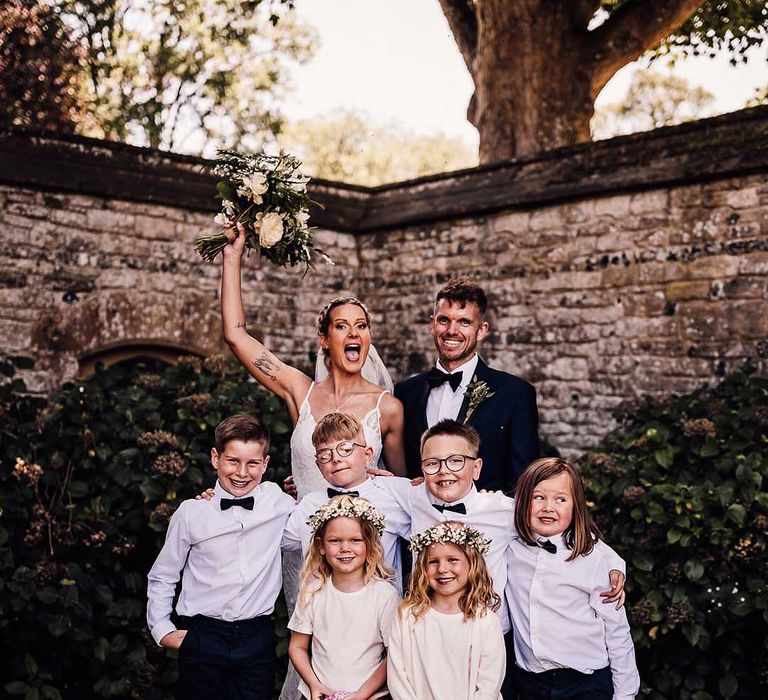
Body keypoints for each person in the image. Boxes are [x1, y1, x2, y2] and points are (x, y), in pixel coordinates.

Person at [221, 226, 405, 698]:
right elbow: (236, 334)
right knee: (308, 648)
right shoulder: (300, 390)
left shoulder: (388, 407)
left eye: (361, 326)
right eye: (342, 326)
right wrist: (233, 255)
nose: (353, 333)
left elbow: (407, 487)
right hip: (301, 542)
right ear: (325, 339)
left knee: (368, 651)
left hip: (368, 551)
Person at [375, 419, 626, 699]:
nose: (444, 470)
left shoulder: (505, 511)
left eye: (456, 461)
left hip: (489, 635)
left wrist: (615, 564)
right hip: (429, 631)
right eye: (432, 463)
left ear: (477, 467)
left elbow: (562, 533)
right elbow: (365, 487)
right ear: (421, 467)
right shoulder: (413, 496)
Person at [146, 414, 294, 699]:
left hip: (257, 637)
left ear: (265, 464)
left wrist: (375, 477)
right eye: (233, 461)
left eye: (252, 463)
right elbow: (163, 574)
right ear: (215, 458)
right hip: (204, 635)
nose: (241, 472)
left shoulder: (278, 502)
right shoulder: (191, 513)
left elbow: (320, 509)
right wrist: (162, 629)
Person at [505, 458, 640, 699]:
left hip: (585, 682)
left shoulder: (593, 557)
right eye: (538, 497)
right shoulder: (510, 547)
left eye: (561, 499)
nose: (548, 507)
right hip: (529, 682)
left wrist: (625, 695)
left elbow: (617, 632)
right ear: (522, 501)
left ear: (575, 506)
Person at [395, 276, 539, 493]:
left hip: (487, 523)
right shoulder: (405, 392)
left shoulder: (515, 394)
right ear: (432, 324)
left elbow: (523, 481)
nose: (452, 330)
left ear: (481, 330)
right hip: (419, 520)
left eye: (464, 322)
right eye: (444, 320)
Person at [282, 412, 411, 592]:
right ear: (319, 466)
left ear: (367, 455)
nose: (336, 458)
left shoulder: (392, 495)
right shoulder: (309, 504)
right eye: (325, 455)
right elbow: (272, 539)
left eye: (346, 449)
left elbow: (432, 516)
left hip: (381, 609)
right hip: (324, 610)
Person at [288, 496, 400, 700]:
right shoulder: (313, 590)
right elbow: (297, 646)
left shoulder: (384, 595)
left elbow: (394, 655)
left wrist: (361, 695)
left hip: (369, 696)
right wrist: (314, 684)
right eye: (335, 541)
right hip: (319, 695)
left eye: (355, 540)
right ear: (321, 546)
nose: (345, 548)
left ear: (370, 544)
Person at [387, 521, 506, 699]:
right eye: (433, 562)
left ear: (472, 564)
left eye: (452, 560)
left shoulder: (485, 620)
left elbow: (490, 684)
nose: (442, 569)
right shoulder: (407, 616)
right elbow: (398, 677)